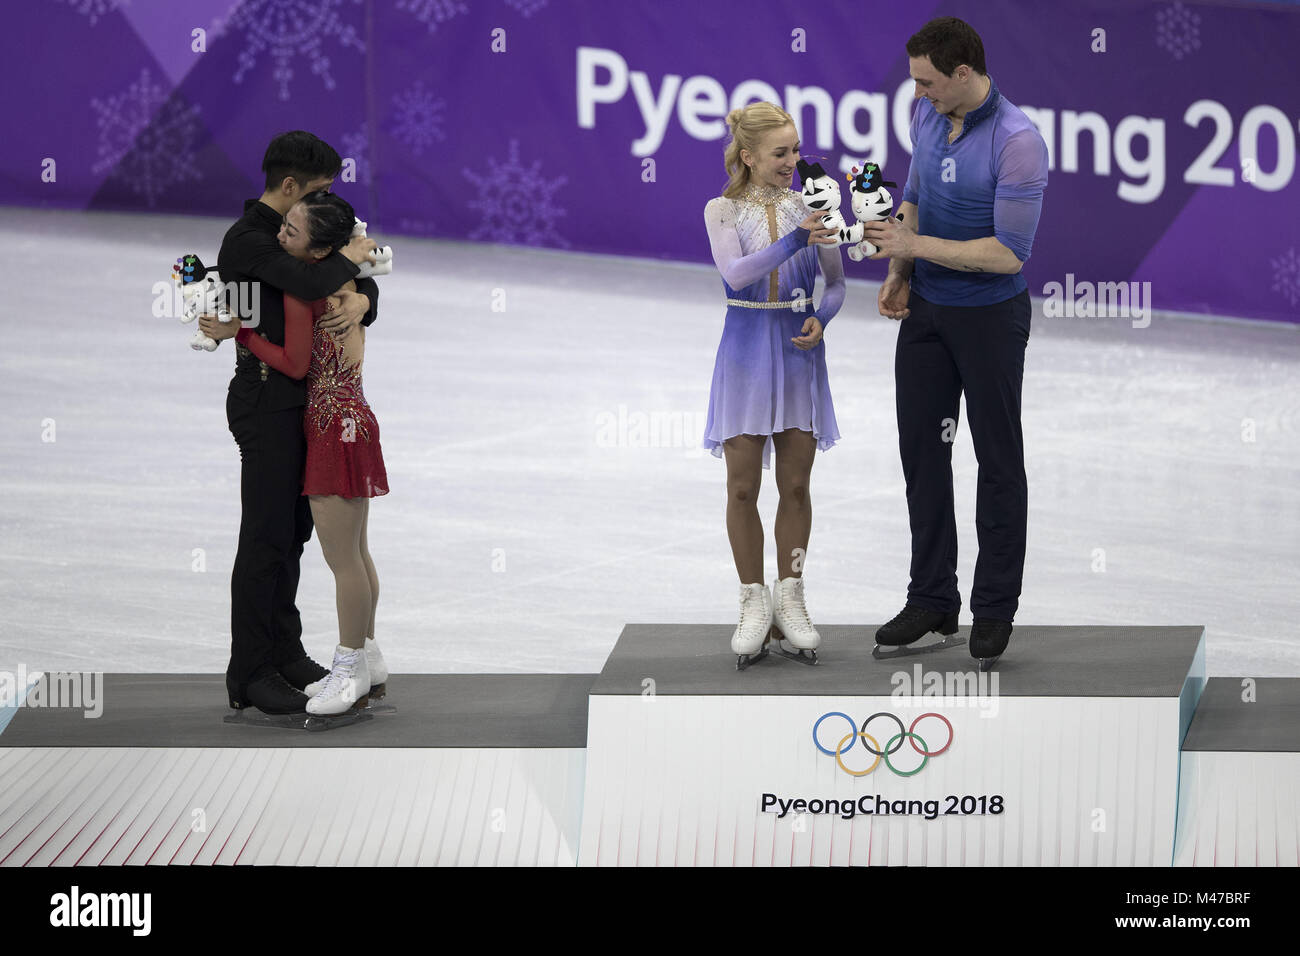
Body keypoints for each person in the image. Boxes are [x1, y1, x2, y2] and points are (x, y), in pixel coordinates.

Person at [860, 17, 1048, 670]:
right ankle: (933, 597)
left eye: (928, 81)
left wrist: (914, 247)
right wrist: (899, 271)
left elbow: (1007, 254)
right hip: (928, 317)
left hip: (990, 320)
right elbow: (912, 195)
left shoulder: (1018, 140)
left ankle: (994, 607)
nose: (917, 93)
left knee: (997, 461)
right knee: (923, 455)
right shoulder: (927, 115)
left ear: (962, 73)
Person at [200, 131, 381, 716]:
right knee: (265, 537)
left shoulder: (300, 234)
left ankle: (285, 650)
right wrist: (352, 269)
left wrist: (364, 299)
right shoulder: (248, 242)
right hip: (265, 400)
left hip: (304, 406)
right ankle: (251, 670)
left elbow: (334, 271)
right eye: (322, 190)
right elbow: (310, 278)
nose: (330, 201)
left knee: (295, 534)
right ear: (289, 186)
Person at [702, 101, 845, 669]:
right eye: (781, 152)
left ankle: (791, 595)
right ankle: (752, 601)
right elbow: (735, 273)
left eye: (796, 150)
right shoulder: (721, 210)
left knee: (797, 487)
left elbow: (834, 285)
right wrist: (797, 239)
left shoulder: (814, 206)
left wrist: (823, 316)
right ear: (749, 156)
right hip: (743, 355)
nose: (794, 161)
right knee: (741, 489)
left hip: (796, 351)